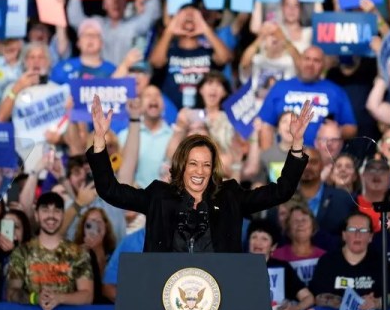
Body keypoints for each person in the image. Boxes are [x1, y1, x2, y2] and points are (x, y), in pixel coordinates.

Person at [87, 95, 313, 252]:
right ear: (181, 165)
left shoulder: (230, 196)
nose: (199, 171)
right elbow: (110, 190)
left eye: (206, 165)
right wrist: (99, 140)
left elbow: (281, 192)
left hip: (220, 295)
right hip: (164, 293)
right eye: (193, 164)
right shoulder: (159, 195)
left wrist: (297, 144)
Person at [7, 192, 94, 310]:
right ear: (36, 215)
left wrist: (59, 298)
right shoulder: (22, 252)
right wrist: (35, 298)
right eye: (45, 210)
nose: (51, 215)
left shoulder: (78, 253)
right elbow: (11, 293)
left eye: (57, 211)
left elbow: (87, 295)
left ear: (63, 215)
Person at [258, 46, 357, 149]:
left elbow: (351, 127)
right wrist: (268, 158)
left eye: (316, 61)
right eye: (307, 59)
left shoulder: (336, 91)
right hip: (285, 156)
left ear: (324, 65)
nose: (310, 64)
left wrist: (334, 131)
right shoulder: (280, 87)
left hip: (321, 156)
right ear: (299, 61)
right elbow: (265, 124)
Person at [309, 212, 390, 310]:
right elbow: (318, 297)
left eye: (363, 230)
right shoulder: (327, 261)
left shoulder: (381, 262)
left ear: (370, 237)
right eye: (352, 230)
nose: (357, 235)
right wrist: (350, 304)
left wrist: (376, 303)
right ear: (344, 235)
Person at [248, 218, 314, 310]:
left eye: (264, 239)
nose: (258, 242)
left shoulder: (283, 267)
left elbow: (309, 298)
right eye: (254, 237)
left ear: (273, 246)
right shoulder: (238, 266)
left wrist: (296, 309)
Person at [73, 207, 116, 305]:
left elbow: (107, 285)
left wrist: (98, 250)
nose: (95, 226)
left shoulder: (114, 253)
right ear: (83, 227)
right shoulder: (74, 252)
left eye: (98, 222)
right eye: (90, 223)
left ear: (106, 226)